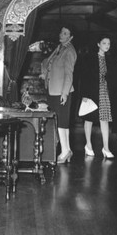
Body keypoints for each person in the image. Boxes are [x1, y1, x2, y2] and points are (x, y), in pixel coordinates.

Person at [40, 26, 77, 164]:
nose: (62, 34)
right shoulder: (59, 48)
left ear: (71, 37)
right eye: (61, 32)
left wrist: (65, 93)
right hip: (53, 90)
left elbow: (69, 74)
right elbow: (47, 62)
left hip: (62, 91)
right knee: (62, 122)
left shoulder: (69, 51)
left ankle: (64, 151)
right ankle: (67, 150)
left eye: (66, 33)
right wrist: (45, 73)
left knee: (61, 122)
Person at [79, 35, 115, 159]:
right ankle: (88, 145)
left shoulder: (110, 59)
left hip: (104, 91)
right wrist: (84, 94)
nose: (107, 46)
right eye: (104, 43)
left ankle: (106, 148)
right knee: (89, 118)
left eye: (108, 44)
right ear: (98, 44)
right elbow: (84, 76)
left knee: (104, 119)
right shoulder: (89, 58)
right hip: (92, 91)